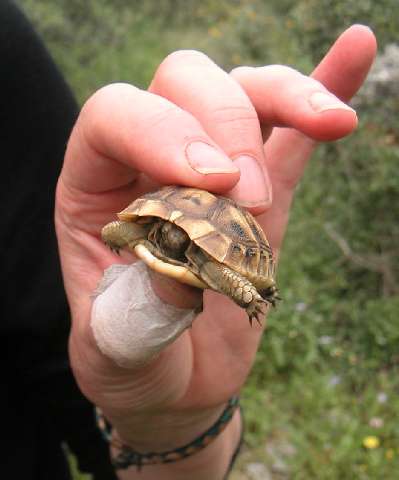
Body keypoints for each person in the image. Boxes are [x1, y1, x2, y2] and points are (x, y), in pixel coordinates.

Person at [1, 0, 376, 477]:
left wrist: (171, 427)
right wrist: (126, 230)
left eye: (171, 235)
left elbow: (141, 236)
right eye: (166, 233)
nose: (170, 239)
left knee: (224, 275)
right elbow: (137, 226)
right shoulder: (157, 230)